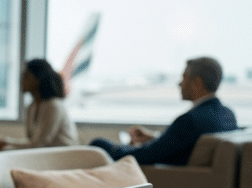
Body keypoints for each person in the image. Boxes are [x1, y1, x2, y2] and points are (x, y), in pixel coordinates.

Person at [90, 57, 237, 165]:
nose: (179, 83)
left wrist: (115, 149)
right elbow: (182, 145)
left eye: (184, 77)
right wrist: (153, 138)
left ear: (197, 83)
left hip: (168, 178)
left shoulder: (189, 121)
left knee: (99, 144)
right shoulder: (228, 115)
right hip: (196, 180)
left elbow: (148, 155)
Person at [0, 58, 78, 151]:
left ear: (38, 78)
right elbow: (32, 142)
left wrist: (7, 143)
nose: (21, 80)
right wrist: (5, 145)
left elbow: (39, 144)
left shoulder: (53, 105)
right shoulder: (31, 107)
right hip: (45, 155)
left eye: (26, 76)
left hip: (65, 156)